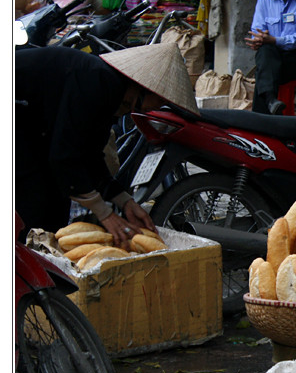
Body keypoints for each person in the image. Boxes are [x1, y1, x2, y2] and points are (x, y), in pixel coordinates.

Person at [15, 42, 199, 248]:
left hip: (34, 128)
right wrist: (105, 213)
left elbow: (91, 155)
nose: (156, 108)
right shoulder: (99, 82)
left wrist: (124, 201)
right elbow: (65, 156)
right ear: (145, 89)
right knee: (35, 206)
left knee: (54, 206)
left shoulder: (112, 91)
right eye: (159, 101)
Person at [246, 0, 296, 115]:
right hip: (272, 56)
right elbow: (257, 30)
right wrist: (257, 40)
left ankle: (261, 119)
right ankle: (271, 101)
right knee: (265, 54)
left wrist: (274, 40)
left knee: (264, 71)